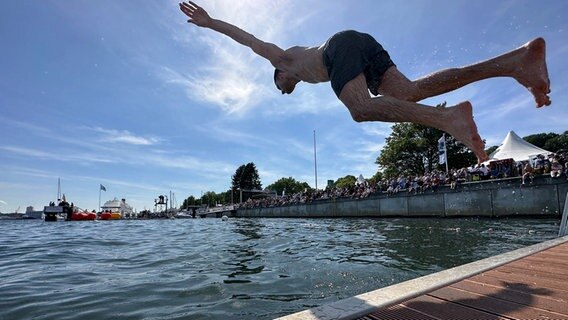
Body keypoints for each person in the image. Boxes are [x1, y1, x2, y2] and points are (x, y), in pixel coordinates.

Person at [179, 2, 551, 163]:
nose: (286, 90)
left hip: (340, 47)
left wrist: (211, 23)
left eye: (283, 87)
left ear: (281, 74)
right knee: (412, 92)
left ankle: (450, 119)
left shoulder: (283, 59)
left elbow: (249, 41)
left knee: (358, 109)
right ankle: (514, 63)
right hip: (362, 45)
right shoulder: (303, 72)